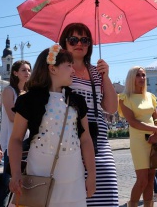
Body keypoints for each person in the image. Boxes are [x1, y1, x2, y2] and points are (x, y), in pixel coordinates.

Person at [8, 44, 96, 206]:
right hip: (39, 178)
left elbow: (86, 139)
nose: (73, 70)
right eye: (68, 65)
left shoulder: (77, 101)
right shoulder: (28, 100)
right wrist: (15, 173)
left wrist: (92, 175)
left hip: (73, 180)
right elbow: (16, 139)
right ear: (53, 69)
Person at [59, 22, 119, 206]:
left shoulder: (96, 71)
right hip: (71, 139)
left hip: (98, 138)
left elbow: (111, 108)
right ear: (65, 43)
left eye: (84, 39)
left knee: (107, 192)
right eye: (73, 39)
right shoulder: (60, 71)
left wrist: (105, 76)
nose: (79, 43)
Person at [118, 66, 157, 207]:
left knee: (151, 179)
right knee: (142, 180)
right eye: (138, 75)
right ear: (132, 78)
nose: (142, 78)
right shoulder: (125, 98)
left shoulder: (150, 96)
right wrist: (154, 129)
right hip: (138, 141)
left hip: (153, 140)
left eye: (144, 75)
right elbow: (133, 122)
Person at [0, 60, 31, 206]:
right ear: (15, 73)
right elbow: (12, 117)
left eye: (29, 70)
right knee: (8, 182)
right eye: (23, 70)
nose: (27, 73)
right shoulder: (9, 91)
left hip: (27, 141)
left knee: (23, 182)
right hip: (12, 140)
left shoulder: (29, 93)